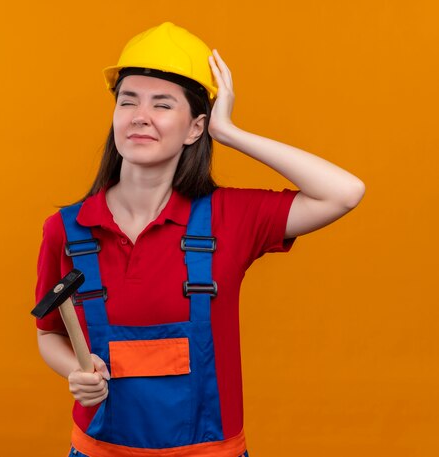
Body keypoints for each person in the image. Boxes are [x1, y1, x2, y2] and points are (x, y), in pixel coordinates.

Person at [34, 22, 364, 457]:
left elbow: (344, 192)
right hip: (98, 451)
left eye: (162, 104)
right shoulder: (67, 228)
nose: (140, 115)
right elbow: (48, 334)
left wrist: (230, 134)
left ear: (195, 129)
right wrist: (76, 372)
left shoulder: (229, 217)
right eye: (127, 100)